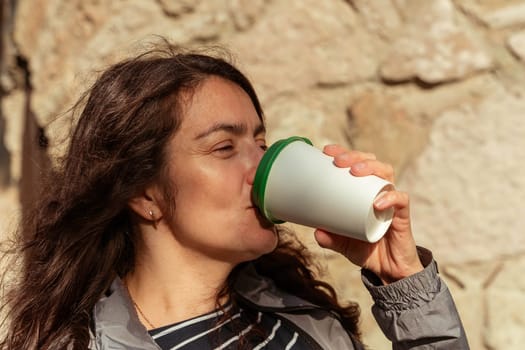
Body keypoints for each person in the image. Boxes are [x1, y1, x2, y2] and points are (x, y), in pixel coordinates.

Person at [0, 42, 469, 350]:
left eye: (261, 144)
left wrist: (404, 284)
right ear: (144, 192)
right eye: (225, 148)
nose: (260, 166)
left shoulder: (306, 323)